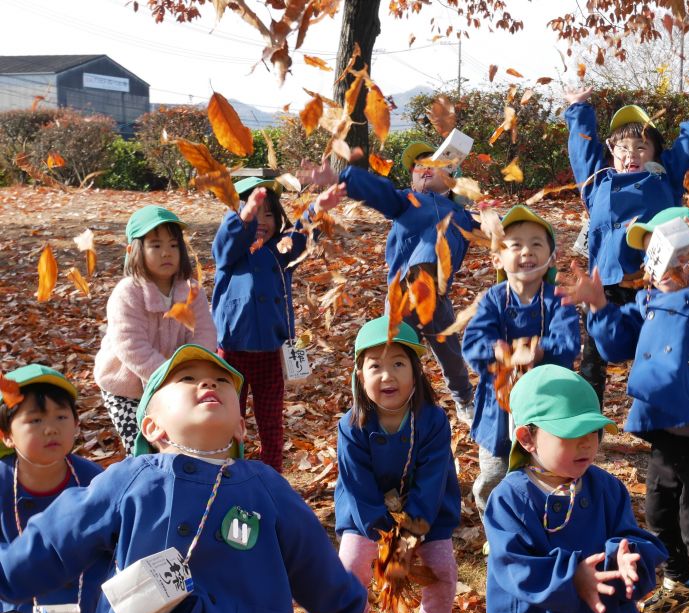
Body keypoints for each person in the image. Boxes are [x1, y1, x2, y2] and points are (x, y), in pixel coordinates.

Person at [0, 345, 368, 613]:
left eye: (222, 382)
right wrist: (8, 574)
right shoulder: (130, 481)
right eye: (186, 379)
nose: (207, 382)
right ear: (152, 427)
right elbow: (59, 533)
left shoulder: (264, 488)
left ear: (240, 427)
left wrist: (347, 612)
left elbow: (311, 557)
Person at [559, 206, 689, 613]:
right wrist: (598, 306)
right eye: (654, 256)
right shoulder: (646, 300)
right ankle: (676, 578)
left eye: (673, 254)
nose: (663, 267)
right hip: (664, 428)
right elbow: (616, 346)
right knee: (658, 510)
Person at [483, 364, 668, 613]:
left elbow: (628, 535)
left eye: (593, 433)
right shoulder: (510, 498)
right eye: (570, 435)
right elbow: (513, 564)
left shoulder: (606, 489)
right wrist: (572, 578)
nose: (586, 444)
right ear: (527, 438)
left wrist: (627, 557)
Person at [563, 84, 689, 407]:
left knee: (651, 348)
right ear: (611, 152)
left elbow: (688, 146)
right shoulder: (597, 182)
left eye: (641, 146)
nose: (631, 154)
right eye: (622, 147)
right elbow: (581, 151)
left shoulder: (663, 176)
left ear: (654, 153)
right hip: (605, 283)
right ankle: (588, 417)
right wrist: (579, 106)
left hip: (653, 283)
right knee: (594, 358)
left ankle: (655, 412)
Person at [319, 142, 478, 424]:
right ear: (412, 181)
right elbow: (379, 192)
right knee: (391, 351)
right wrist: (344, 177)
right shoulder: (407, 201)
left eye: (434, 164)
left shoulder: (464, 214)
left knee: (451, 355)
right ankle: (374, 403)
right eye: (418, 167)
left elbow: (499, 230)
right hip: (402, 293)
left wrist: (514, 229)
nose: (425, 169)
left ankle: (464, 397)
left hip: (436, 297)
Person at [334, 316, 461, 613]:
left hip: (425, 514)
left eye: (398, 364)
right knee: (350, 566)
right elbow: (357, 485)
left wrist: (412, 532)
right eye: (375, 366)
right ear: (361, 376)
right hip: (368, 516)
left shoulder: (433, 420)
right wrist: (384, 535)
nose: (387, 375)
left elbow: (434, 478)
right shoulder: (351, 427)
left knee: (442, 570)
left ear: (416, 372)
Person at [211, 177, 339, 471]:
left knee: (271, 421)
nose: (262, 221)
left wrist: (318, 208)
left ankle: (272, 474)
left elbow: (302, 234)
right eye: (255, 212)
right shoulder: (231, 254)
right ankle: (230, 469)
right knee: (230, 416)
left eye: (269, 214)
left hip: (271, 350)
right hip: (231, 353)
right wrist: (242, 219)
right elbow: (223, 243)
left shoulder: (279, 250)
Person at [462, 205, 580, 518]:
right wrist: (500, 352)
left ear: (551, 258)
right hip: (498, 408)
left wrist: (540, 351)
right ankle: (496, 522)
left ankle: (542, 521)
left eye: (536, 244)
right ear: (497, 258)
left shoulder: (558, 299)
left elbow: (568, 344)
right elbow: (473, 344)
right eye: (515, 245)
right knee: (495, 473)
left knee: (543, 469)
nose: (526, 251)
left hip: (546, 404)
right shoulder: (492, 299)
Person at [0, 365, 103, 613]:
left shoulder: (90, 478)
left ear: (76, 424)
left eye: (62, 416)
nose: (50, 428)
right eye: (34, 420)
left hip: (84, 581)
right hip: (22, 585)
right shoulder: (2, 481)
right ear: (6, 435)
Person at [95, 206, 216, 455]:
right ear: (133, 250)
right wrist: (168, 377)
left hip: (176, 384)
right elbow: (130, 345)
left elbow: (204, 335)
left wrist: (186, 376)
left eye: (173, 245)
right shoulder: (128, 292)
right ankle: (142, 489)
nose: (166, 253)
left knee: (176, 445)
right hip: (125, 389)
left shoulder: (192, 290)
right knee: (141, 448)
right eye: (155, 245)